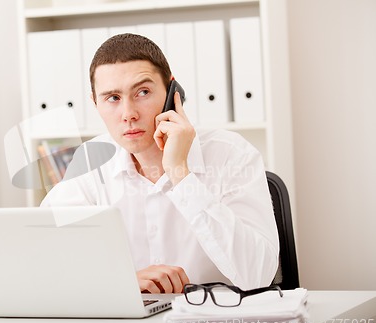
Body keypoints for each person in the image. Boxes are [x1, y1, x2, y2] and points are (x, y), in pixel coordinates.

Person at [41, 33, 279, 293]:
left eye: (142, 92)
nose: (128, 114)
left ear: (172, 91)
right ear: (95, 103)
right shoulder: (90, 162)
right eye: (112, 98)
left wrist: (181, 174)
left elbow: (259, 275)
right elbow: (44, 258)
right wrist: (121, 282)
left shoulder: (232, 154)